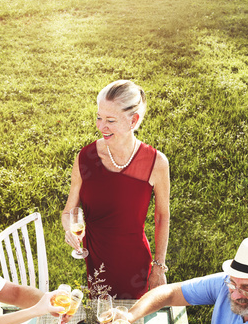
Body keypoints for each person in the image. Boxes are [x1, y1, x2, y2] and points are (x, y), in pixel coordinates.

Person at [61, 79, 170, 299]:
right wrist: (68, 230)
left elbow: (162, 216)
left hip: (133, 262)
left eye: (110, 120)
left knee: (129, 323)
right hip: (95, 258)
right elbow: (68, 211)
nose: (101, 127)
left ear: (134, 120)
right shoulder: (86, 157)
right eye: (99, 117)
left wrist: (158, 266)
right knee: (101, 318)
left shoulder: (155, 162)